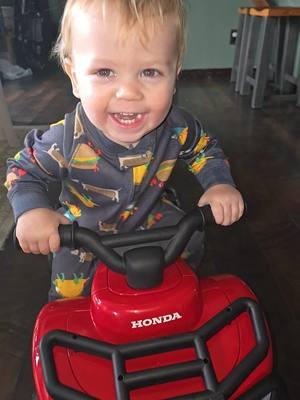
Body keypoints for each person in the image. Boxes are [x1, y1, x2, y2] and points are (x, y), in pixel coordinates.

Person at [5, 0, 244, 301]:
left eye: (150, 72)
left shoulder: (176, 127)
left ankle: (171, 305)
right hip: (83, 237)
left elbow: (204, 148)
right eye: (105, 72)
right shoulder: (65, 139)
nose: (129, 92)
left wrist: (219, 183)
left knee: (191, 240)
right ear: (75, 77)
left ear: (175, 74)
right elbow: (22, 168)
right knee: (69, 295)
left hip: (156, 224)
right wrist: (32, 210)